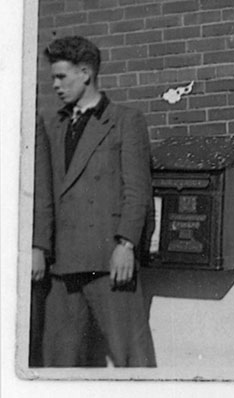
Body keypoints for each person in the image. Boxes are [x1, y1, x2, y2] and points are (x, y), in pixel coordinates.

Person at [33, 36, 156, 367]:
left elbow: (137, 191)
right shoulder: (52, 126)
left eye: (62, 77)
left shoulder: (124, 120)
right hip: (62, 266)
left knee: (133, 358)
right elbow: (43, 191)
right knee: (58, 363)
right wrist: (39, 248)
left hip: (109, 261)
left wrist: (126, 244)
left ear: (85, 73)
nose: (55, 85)